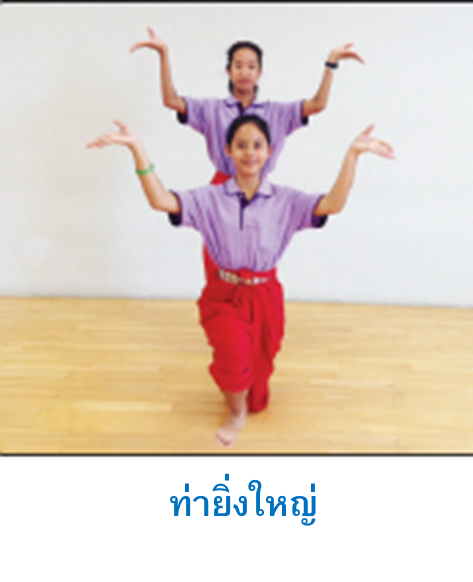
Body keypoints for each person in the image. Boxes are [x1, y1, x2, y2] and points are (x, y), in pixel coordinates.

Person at [86, 115, 395, 448]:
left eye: (257, 145)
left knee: (258, 391)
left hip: (266, 296)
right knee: (232, 356)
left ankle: (245, 398)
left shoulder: (286, 200)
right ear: (228, 151)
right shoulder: (209, 198)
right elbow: (161, 200)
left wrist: (352, 155)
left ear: (269, 152)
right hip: (224, 295)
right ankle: (236, 414)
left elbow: (333, 203)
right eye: (241, 145)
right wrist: (137, 148)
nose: (250, 152)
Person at [129, 29, 365, 280]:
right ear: (228, 71)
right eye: (238, 65)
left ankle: (257, 301)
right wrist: (163, 54)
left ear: (260, 72)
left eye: (252, 66)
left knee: (261, 258)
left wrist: (331, 64)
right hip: (222, 188)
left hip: (261, 191)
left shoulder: (276, 112)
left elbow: (317, 104)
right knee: (218, 265)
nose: (245, 72)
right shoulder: (212, 109)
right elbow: (171, 100)